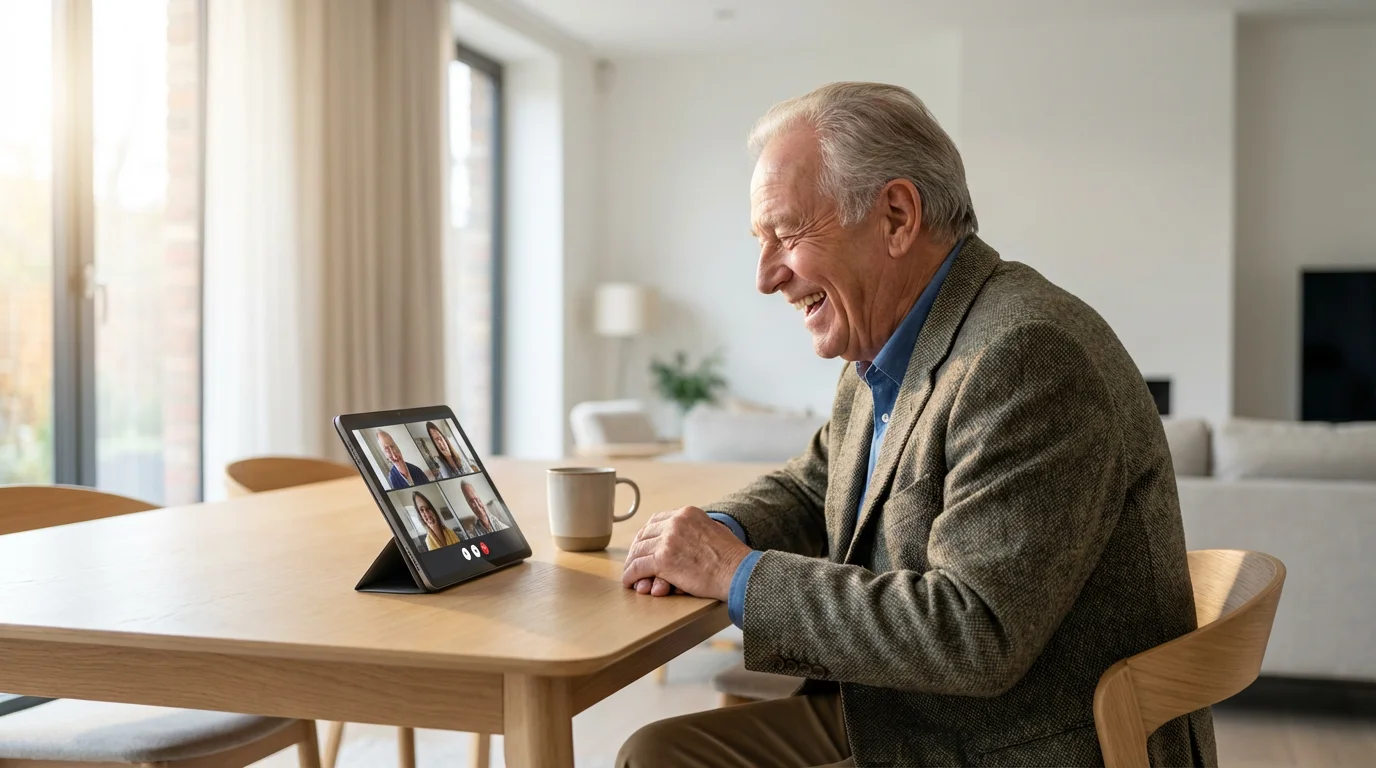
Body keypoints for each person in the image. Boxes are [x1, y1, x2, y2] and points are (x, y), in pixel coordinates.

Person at [617, 82, 1215, 768]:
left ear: (897, 216)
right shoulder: (885, 347)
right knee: (656, 752)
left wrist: (740, 575)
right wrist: (722, 532)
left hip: (1014, 741)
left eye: (785, 234)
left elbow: (972, 631)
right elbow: (816, 487)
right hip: (910, 713)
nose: (766, 276)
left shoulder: (1025, 357)